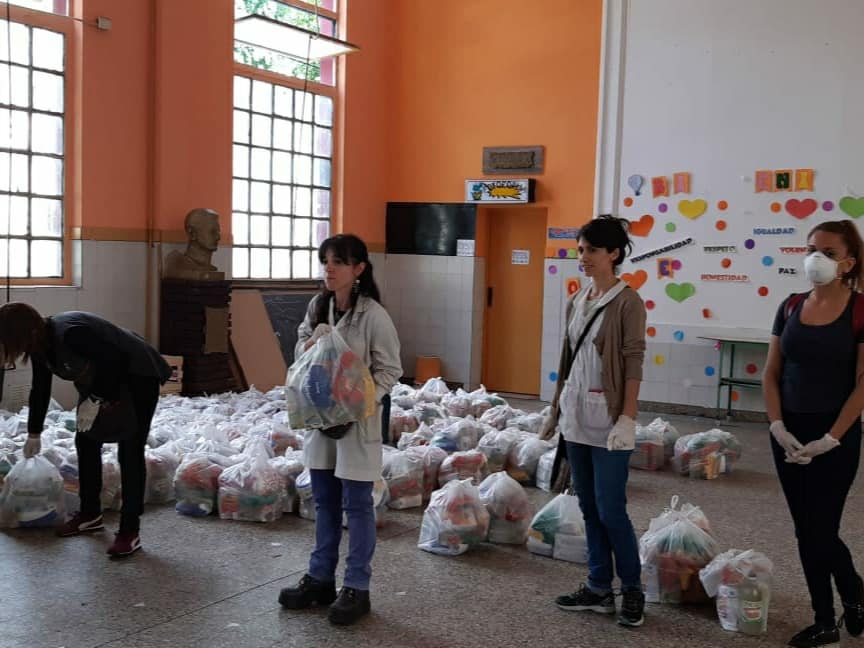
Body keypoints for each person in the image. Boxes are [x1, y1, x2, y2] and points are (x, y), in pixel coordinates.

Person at [278, 234, 402, 626]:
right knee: (325, 501)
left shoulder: (374, 316)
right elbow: (299, 355)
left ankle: (356, 587)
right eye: (326, 261)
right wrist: (310, 343)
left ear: (359, 269)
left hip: (357, 424)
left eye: (338, 262)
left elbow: (390, 369)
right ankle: (320, 579)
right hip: (320, 420)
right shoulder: (318, 306)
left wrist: (361, 401)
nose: (329, 269)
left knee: (357, 505)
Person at [539, 215, 647, 627]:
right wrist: (555, 409)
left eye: (592, 250)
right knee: (586, 505)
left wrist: (628, 417)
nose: (582, 257)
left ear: (614, 254)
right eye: (580, 250)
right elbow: (568, 360)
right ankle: (599, 586)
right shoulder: (577, 299)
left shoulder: (627, 302)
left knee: (611, 509)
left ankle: (632, 589)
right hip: (576, 416)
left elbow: (633, 361)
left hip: (610, 420)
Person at [763, 219, 864, 648]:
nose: (815, 258)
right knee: (806, 530)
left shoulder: (860, 310)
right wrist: (777, 425)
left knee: (821, 530)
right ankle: (830, 616)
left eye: (828, 252)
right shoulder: (789, 306)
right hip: (788, 433)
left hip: (835, 437)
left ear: (848, 263)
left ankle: (848, 599)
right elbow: (772, 372)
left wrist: (832, 437)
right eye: (810, 249)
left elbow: (863, 383)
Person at [0, 304, 171, 557]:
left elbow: (115, 360)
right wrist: (34, 433)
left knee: (129, 450)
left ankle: (129, 531)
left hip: (138, 375)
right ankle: (90, 514)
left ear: (28, 332)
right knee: (86, 440)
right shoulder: (39, 346)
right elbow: (40, 389)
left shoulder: (71, 333)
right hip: (104, 380)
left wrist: (96, 399)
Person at [162, 208, 224, 280]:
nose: (218, 237)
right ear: (192, 233)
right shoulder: (178, 265)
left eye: (218, 232)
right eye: (212, 232)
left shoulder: (210, 269)